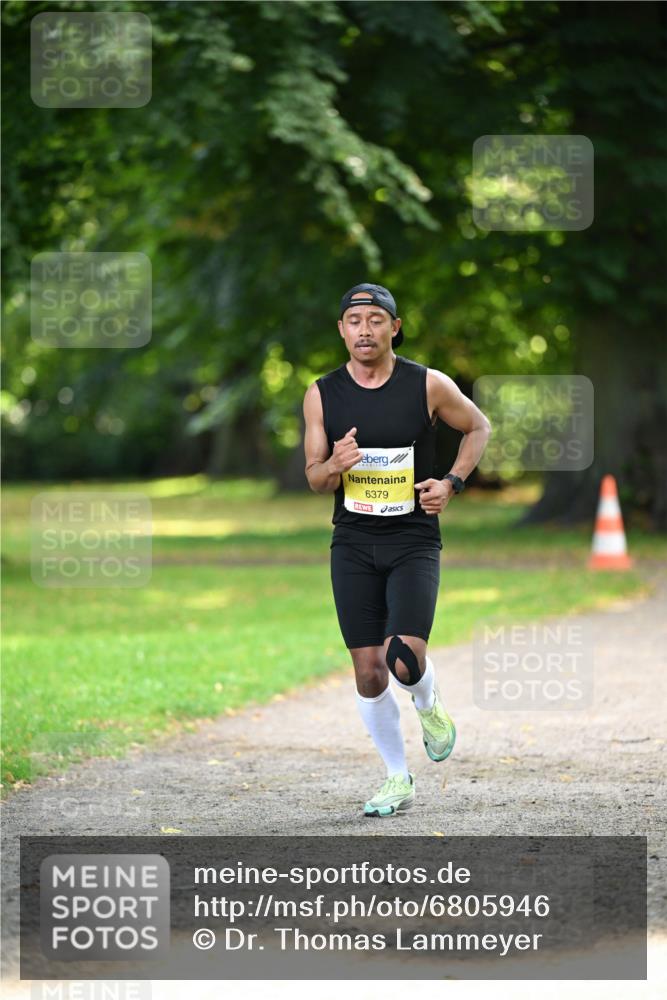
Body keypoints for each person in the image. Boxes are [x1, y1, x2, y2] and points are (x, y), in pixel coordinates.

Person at [303, 283, 491, 817]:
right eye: (354, 320)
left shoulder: (427, 384)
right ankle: (395, 777)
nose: (365, 329)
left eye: (375, 320)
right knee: (368, 672)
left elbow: (478, 427)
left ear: (395, 326)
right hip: (353, 544)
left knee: (404, 661)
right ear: (341, 329)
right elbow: (315, 478)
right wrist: (334, 466)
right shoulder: (321, 393)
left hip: (412, 540)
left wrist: (451, 481)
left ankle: (429, 703)